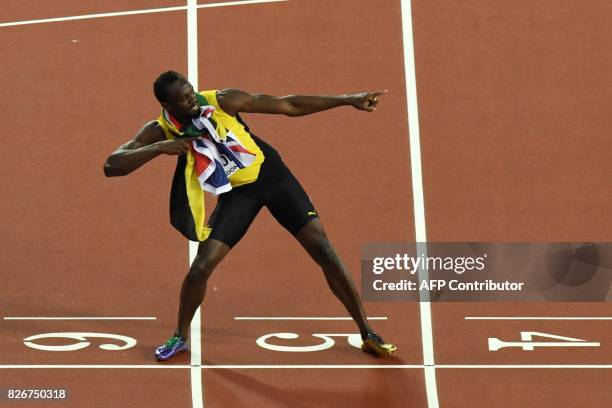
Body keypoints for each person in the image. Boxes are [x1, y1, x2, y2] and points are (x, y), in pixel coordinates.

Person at [103, 70, 396, 360]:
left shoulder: (221, 101)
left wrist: (347, 100)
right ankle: (180, 337)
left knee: (324, 251)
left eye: (191, 91)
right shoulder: (159, 130)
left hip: (273, 177)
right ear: (166, 106)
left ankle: (367, 334)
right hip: (237, 195)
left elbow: (288, 105)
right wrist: (158, 148)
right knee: (200, 269)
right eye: (183, 98)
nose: (192, 99)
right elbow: (112, 165)